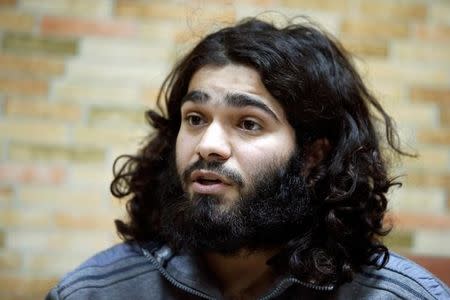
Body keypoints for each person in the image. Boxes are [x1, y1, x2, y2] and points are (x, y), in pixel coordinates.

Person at [46, 17, 449, 300]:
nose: (209, 144)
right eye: (195, 118)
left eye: (249, 124)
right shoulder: (93, 292)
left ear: (314, 156)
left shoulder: (401, 296)